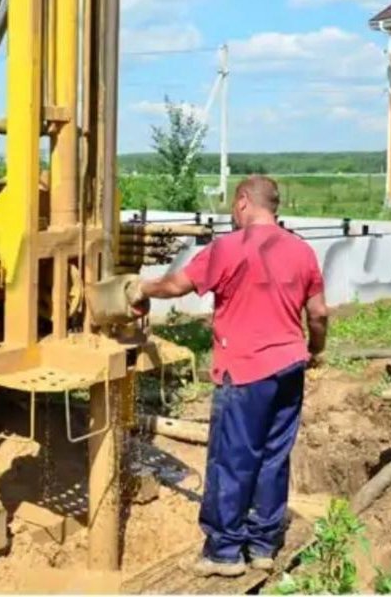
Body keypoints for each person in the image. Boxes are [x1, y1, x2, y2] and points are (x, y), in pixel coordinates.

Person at [127, 175, 328, 578]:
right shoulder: (302, 251)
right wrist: (315, 350)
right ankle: (263, 546)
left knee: (232, 460)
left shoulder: (228, 248)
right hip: (290, 367)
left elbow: (176, 285)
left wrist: (139, 288)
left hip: (245, 370)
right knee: (273, 456)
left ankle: (223, 552)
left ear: (242, 202)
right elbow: (319, 313)